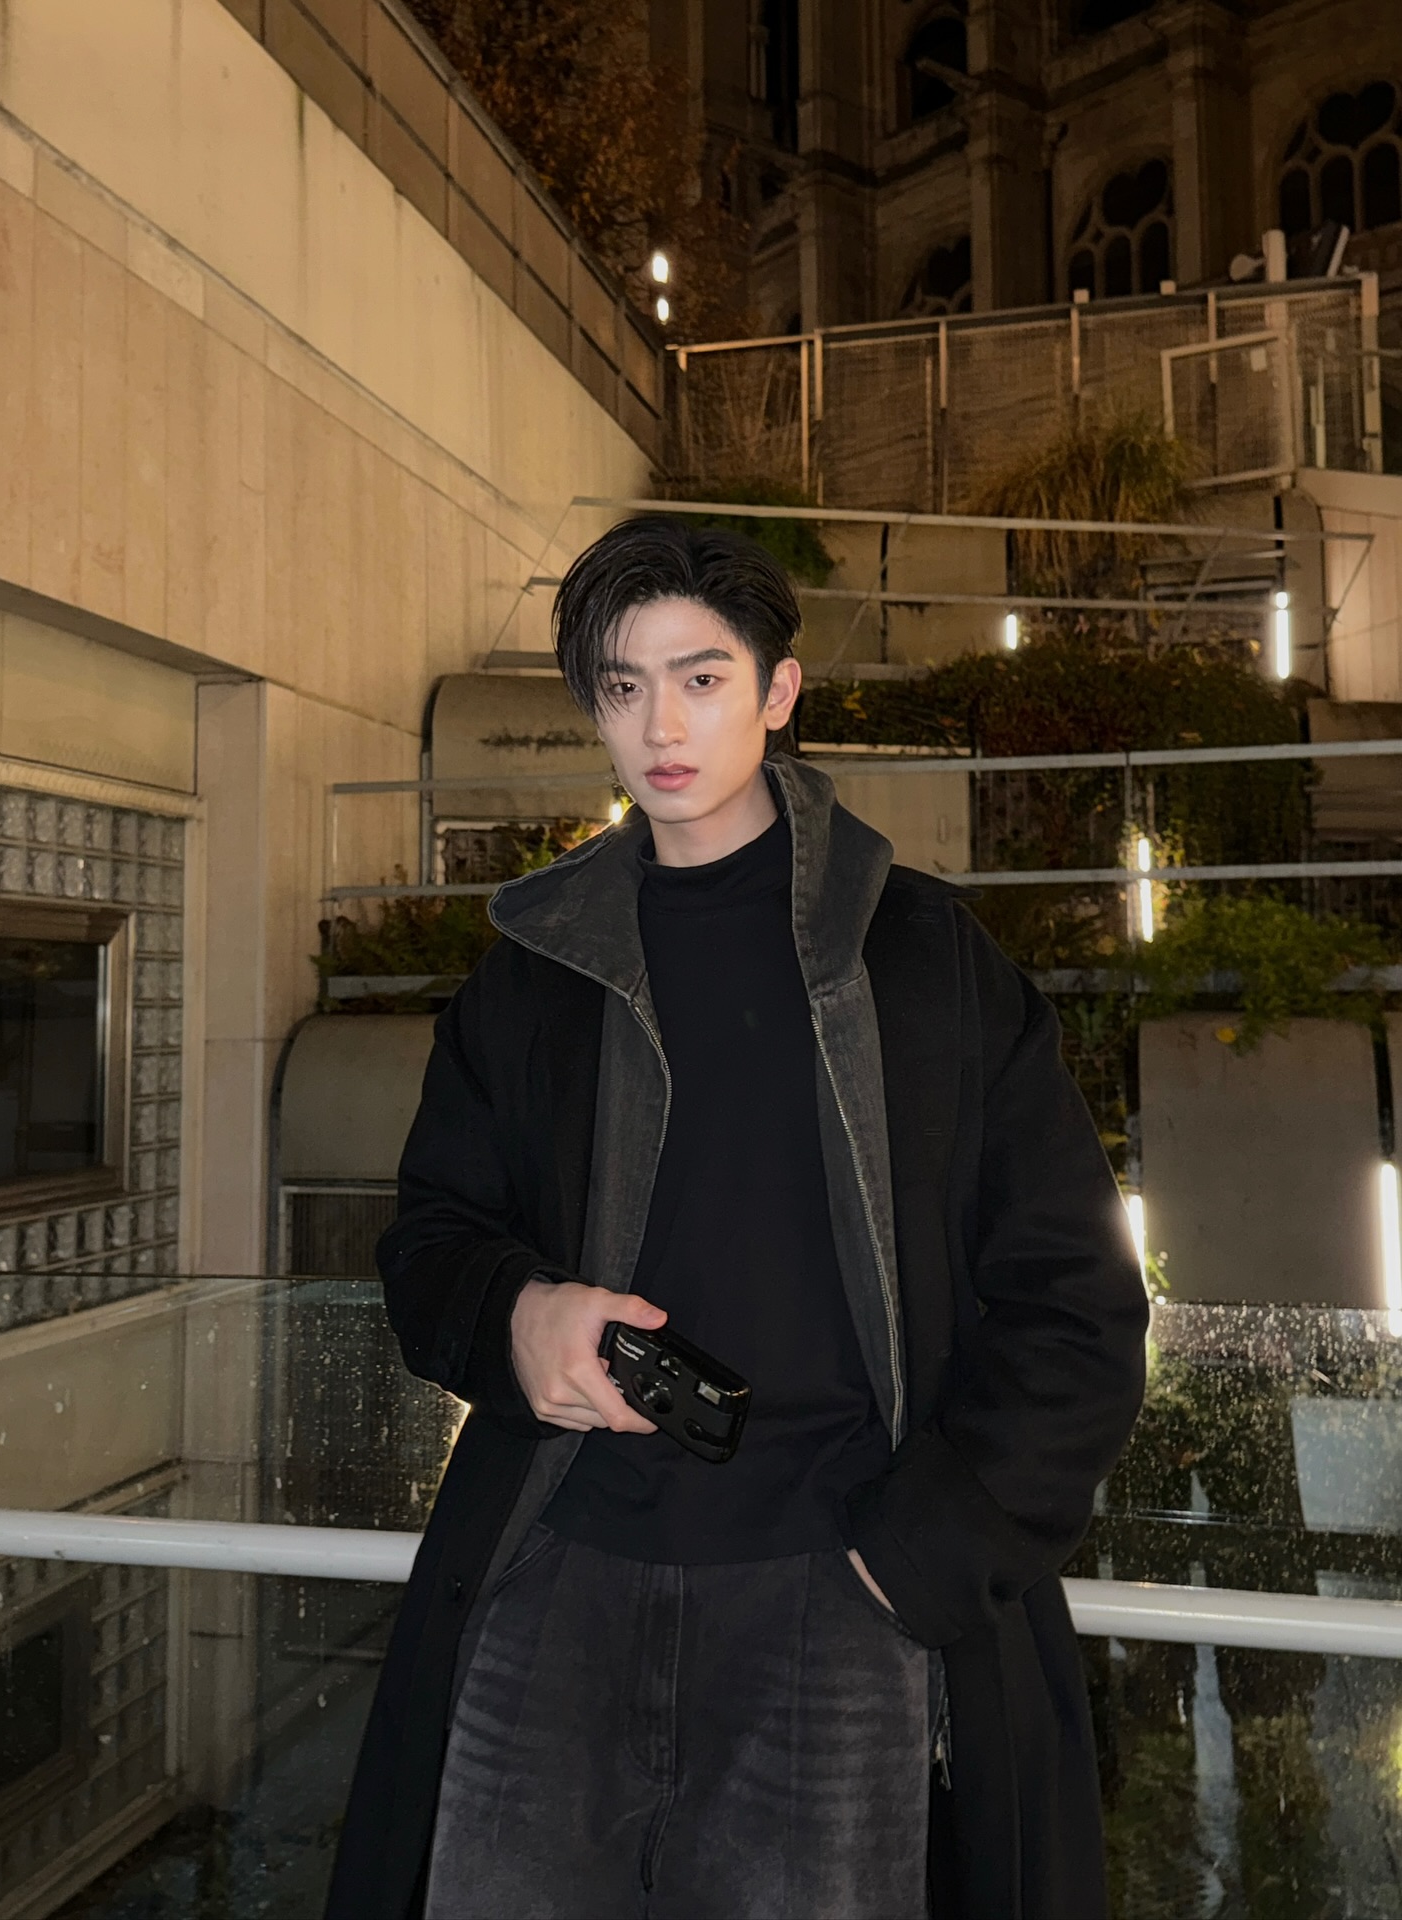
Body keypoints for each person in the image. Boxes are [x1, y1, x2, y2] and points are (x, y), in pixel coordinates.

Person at [325, 516, 1149, 1920]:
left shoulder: (925, 960)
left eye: (701, 679)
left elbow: (1078, 1300)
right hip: (559, 1571)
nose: (661, 726)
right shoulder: (532, 971)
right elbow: (429, 1240)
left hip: (838, 1593)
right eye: (623, 687)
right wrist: (518, 1318)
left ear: (778, 692)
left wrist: (920, 1553)